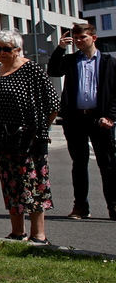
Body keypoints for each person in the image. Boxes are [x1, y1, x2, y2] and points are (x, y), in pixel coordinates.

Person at [0, 30, 59, 244]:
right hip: (4, 138)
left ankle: (39, 235)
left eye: (6, 49)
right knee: (11, 184)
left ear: (18, 49)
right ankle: (17, 232)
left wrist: (40, 130)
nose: (1, 52)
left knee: (33, 185)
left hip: (29, 139)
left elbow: (53, 104)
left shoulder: (32, 70)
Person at [47, 22, 116, 221]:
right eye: (75, 38)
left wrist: (111, 116)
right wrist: (60, 48)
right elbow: (53, 70)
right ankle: (81, 207)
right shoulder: (70, 60)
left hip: (100, 119)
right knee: (79, 164)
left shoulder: (109, 62)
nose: (78, 41)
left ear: (93, 38)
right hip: (75, 119)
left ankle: (113, 206)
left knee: (108, 164)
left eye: (82, 37)